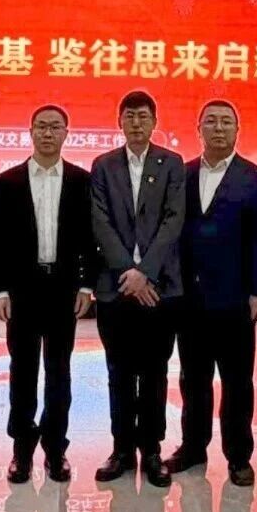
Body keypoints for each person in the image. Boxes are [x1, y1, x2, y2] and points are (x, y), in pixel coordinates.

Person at [0, 105, 96, 484]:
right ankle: (21, 450)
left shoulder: (81, 180)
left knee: (59, 371)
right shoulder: (7, 182)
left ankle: (56, 449)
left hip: (63, 288)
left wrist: (86, 285)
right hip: (23, 290)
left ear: (66, 133)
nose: (48, 133)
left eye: (55, 127)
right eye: (41, 127)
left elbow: (89, 238)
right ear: (30, 132)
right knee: (23, 370)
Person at [167, 100, 257, 488]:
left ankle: (239, 456)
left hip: (236, 300)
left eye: (226, 122)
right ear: (198, 129)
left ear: (237, 130)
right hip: (190, 299)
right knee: (192, 380)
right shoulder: (181, 174)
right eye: (210, 121)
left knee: (237, 382)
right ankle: (193, 448)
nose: (218, 127)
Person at [90, 90, 185, 488]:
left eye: (143, 116)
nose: (136, 123)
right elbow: (100, 221)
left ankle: (153, 450)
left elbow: (173, 219)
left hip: (159, 289)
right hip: (116, 289)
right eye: (129, 116)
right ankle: (122, 450)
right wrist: (128, 273)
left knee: (155, 371)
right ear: (119, 122)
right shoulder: (103, 165)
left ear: (154, 121)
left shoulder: (172, 163)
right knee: (119, 371)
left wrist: (145, 272)